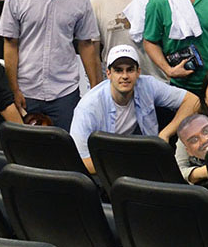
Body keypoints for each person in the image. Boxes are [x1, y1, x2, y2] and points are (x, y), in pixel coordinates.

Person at [0, 0, 102, 131]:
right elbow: (11, 45)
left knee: (67, 150)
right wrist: (14, 89)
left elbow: (87, 45)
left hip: (65, 92)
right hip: (27, 92)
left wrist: (96, 90)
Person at [70, 45, 200, 174]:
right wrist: (125, 163)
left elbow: (193, 101)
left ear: (138, 72)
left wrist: (165, 134)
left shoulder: (148, 85)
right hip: (110, 167)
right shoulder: (87, 108)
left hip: (146, 158)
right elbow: (79, 161)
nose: (125, 76)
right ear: (108, 73)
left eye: (130, 70)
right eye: (118, 70)